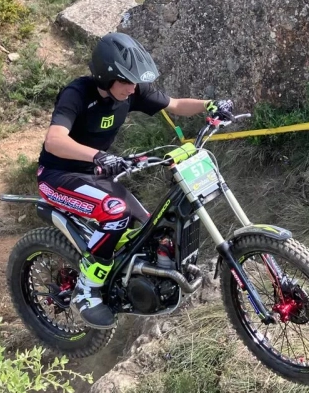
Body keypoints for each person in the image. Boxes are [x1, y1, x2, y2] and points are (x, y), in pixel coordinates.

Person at [37, 32, 233, 328]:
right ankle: (87, 290)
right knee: (114, 213)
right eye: (126, 81)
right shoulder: (77, 94)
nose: (132, 88)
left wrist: (210, 105)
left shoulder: (131, 92)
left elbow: (176, 104)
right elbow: (54, 140)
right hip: (57, 177)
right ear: (106, 77)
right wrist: (99, 156)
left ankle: (127, 282)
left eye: (135, 82)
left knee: (150, 229)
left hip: (94, 175)